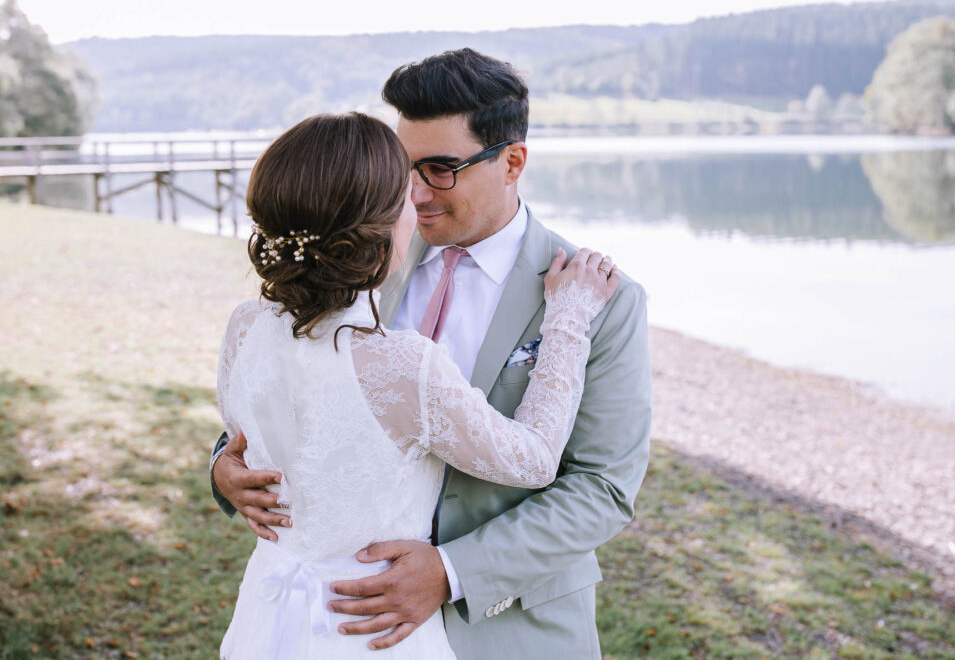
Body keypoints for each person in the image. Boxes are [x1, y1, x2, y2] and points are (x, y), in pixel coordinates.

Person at [212, 49, 652, 658]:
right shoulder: (359, 252)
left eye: (440, 169)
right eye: (405, 168)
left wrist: (453, 570)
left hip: (512, 629)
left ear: (512, 162)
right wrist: (226, 468)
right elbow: (294, 383)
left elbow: (602, 486)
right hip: (341, 623)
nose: (415, 194)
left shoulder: (601, 298)